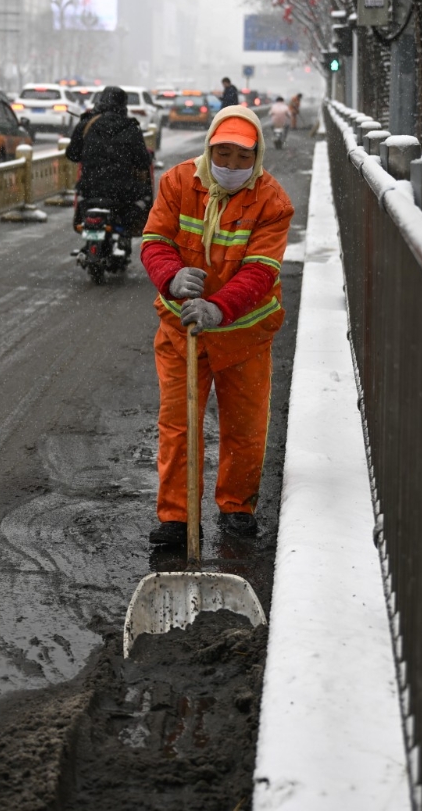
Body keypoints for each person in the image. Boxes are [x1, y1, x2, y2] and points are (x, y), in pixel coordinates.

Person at [140, 105, 294, 546]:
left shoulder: (272, 201)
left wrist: (219, 308)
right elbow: (155, 240)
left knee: (244, 427)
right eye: (222, 153)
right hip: (180, 330)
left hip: (244, 333)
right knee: (178, 424)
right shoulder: (177, 182)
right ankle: (176, 517)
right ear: (209, 148)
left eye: (242, 157)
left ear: (258, 155)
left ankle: (236, 508)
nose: (230, 165)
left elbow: (260, 270)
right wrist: (169, 275)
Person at [66, 85, 152, 251]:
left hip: (90, 187)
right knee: (143, 199)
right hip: (122, 190)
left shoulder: (86, 124)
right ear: (124, 104)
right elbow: (142, 161)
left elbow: (72, 154)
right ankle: (124, 233)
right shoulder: (130, 127)